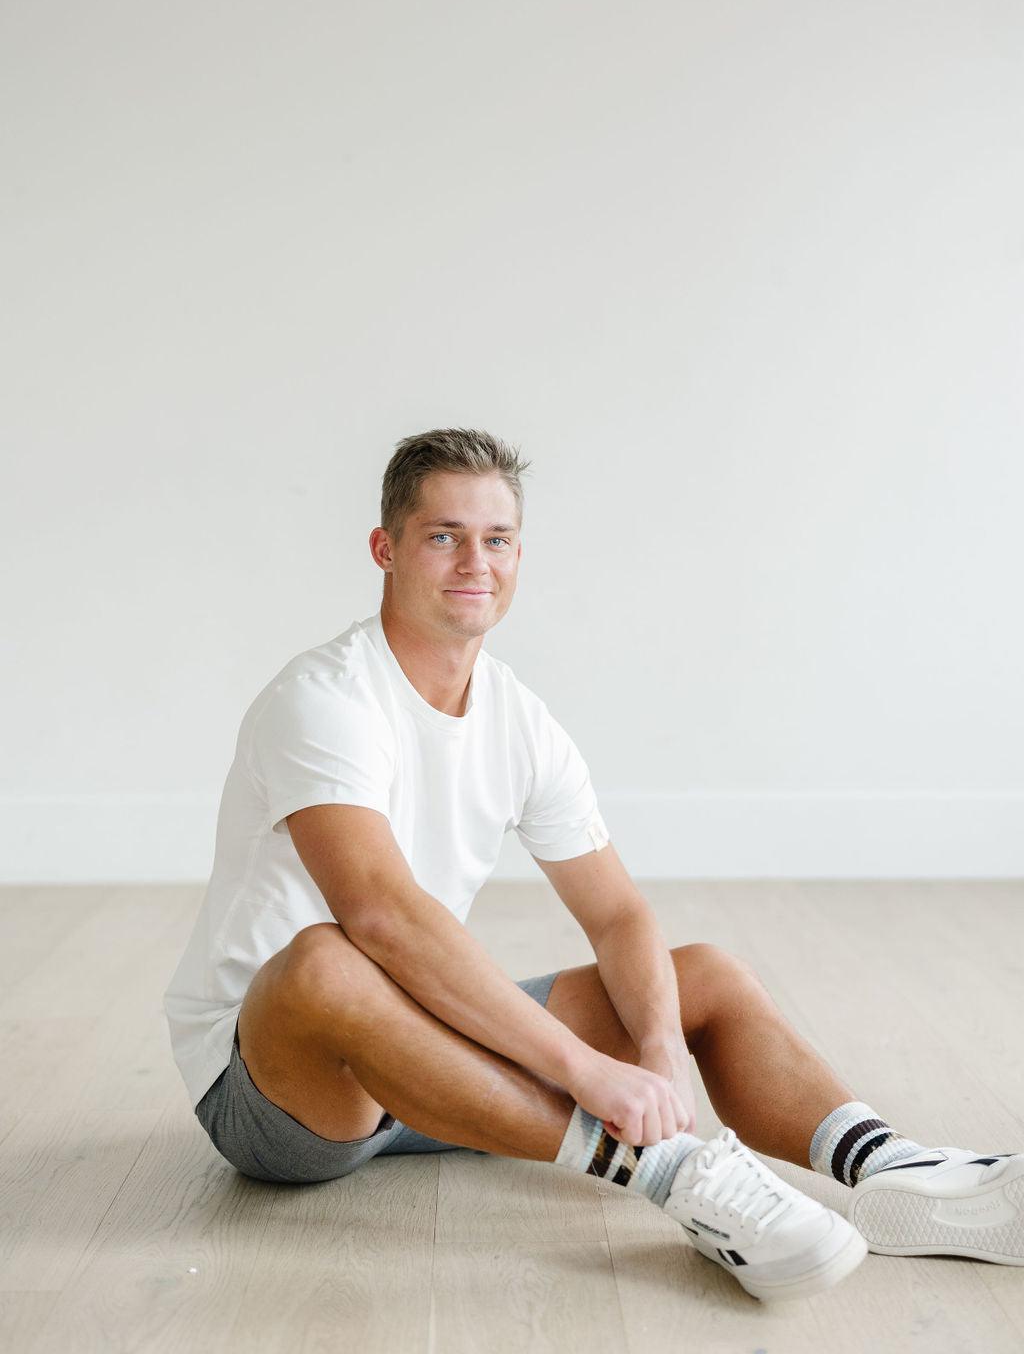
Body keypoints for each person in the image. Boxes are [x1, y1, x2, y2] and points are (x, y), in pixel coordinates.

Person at [163, 427, 1023, 1304]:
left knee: (700, 978)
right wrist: (586, 1070)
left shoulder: (517, 718)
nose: (475, 562)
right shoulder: (324, 699)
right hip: (283, 1087)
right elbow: (381, 914)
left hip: (427, 1063)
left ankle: (896, 1169)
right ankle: (675, 1175)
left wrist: (658, 1048)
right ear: (386, 549)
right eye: (444, 536)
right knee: (327, 961)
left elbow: (616, 916)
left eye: (497, 539)